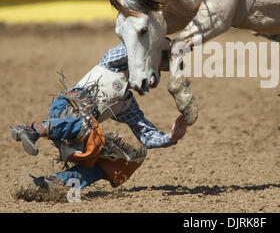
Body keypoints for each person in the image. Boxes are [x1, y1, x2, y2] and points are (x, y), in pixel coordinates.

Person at [11, 42, 187, 193]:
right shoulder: (114, 61)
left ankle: (52, 183)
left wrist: (171, 137)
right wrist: (157, 41)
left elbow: (147, 135)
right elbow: (133, 44)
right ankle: (32, 130)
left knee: (109, 163)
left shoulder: (127, 105)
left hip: (79, 130)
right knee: (83, 122)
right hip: (67, 108)